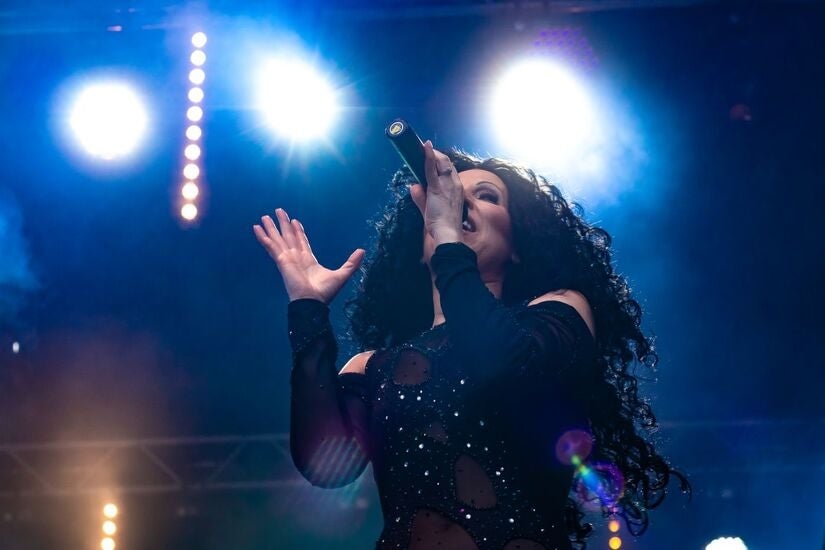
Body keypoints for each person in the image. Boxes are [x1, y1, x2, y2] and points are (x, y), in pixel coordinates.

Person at [253, 141, 689, 549]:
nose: (461, 202)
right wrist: (308, 310)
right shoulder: (371, 365)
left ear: (518, 246)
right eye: (450, 196)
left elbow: (499, 363)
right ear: (420, 246)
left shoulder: (559, 310)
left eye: (486, 196)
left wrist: (448, 235)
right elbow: (327, 465)